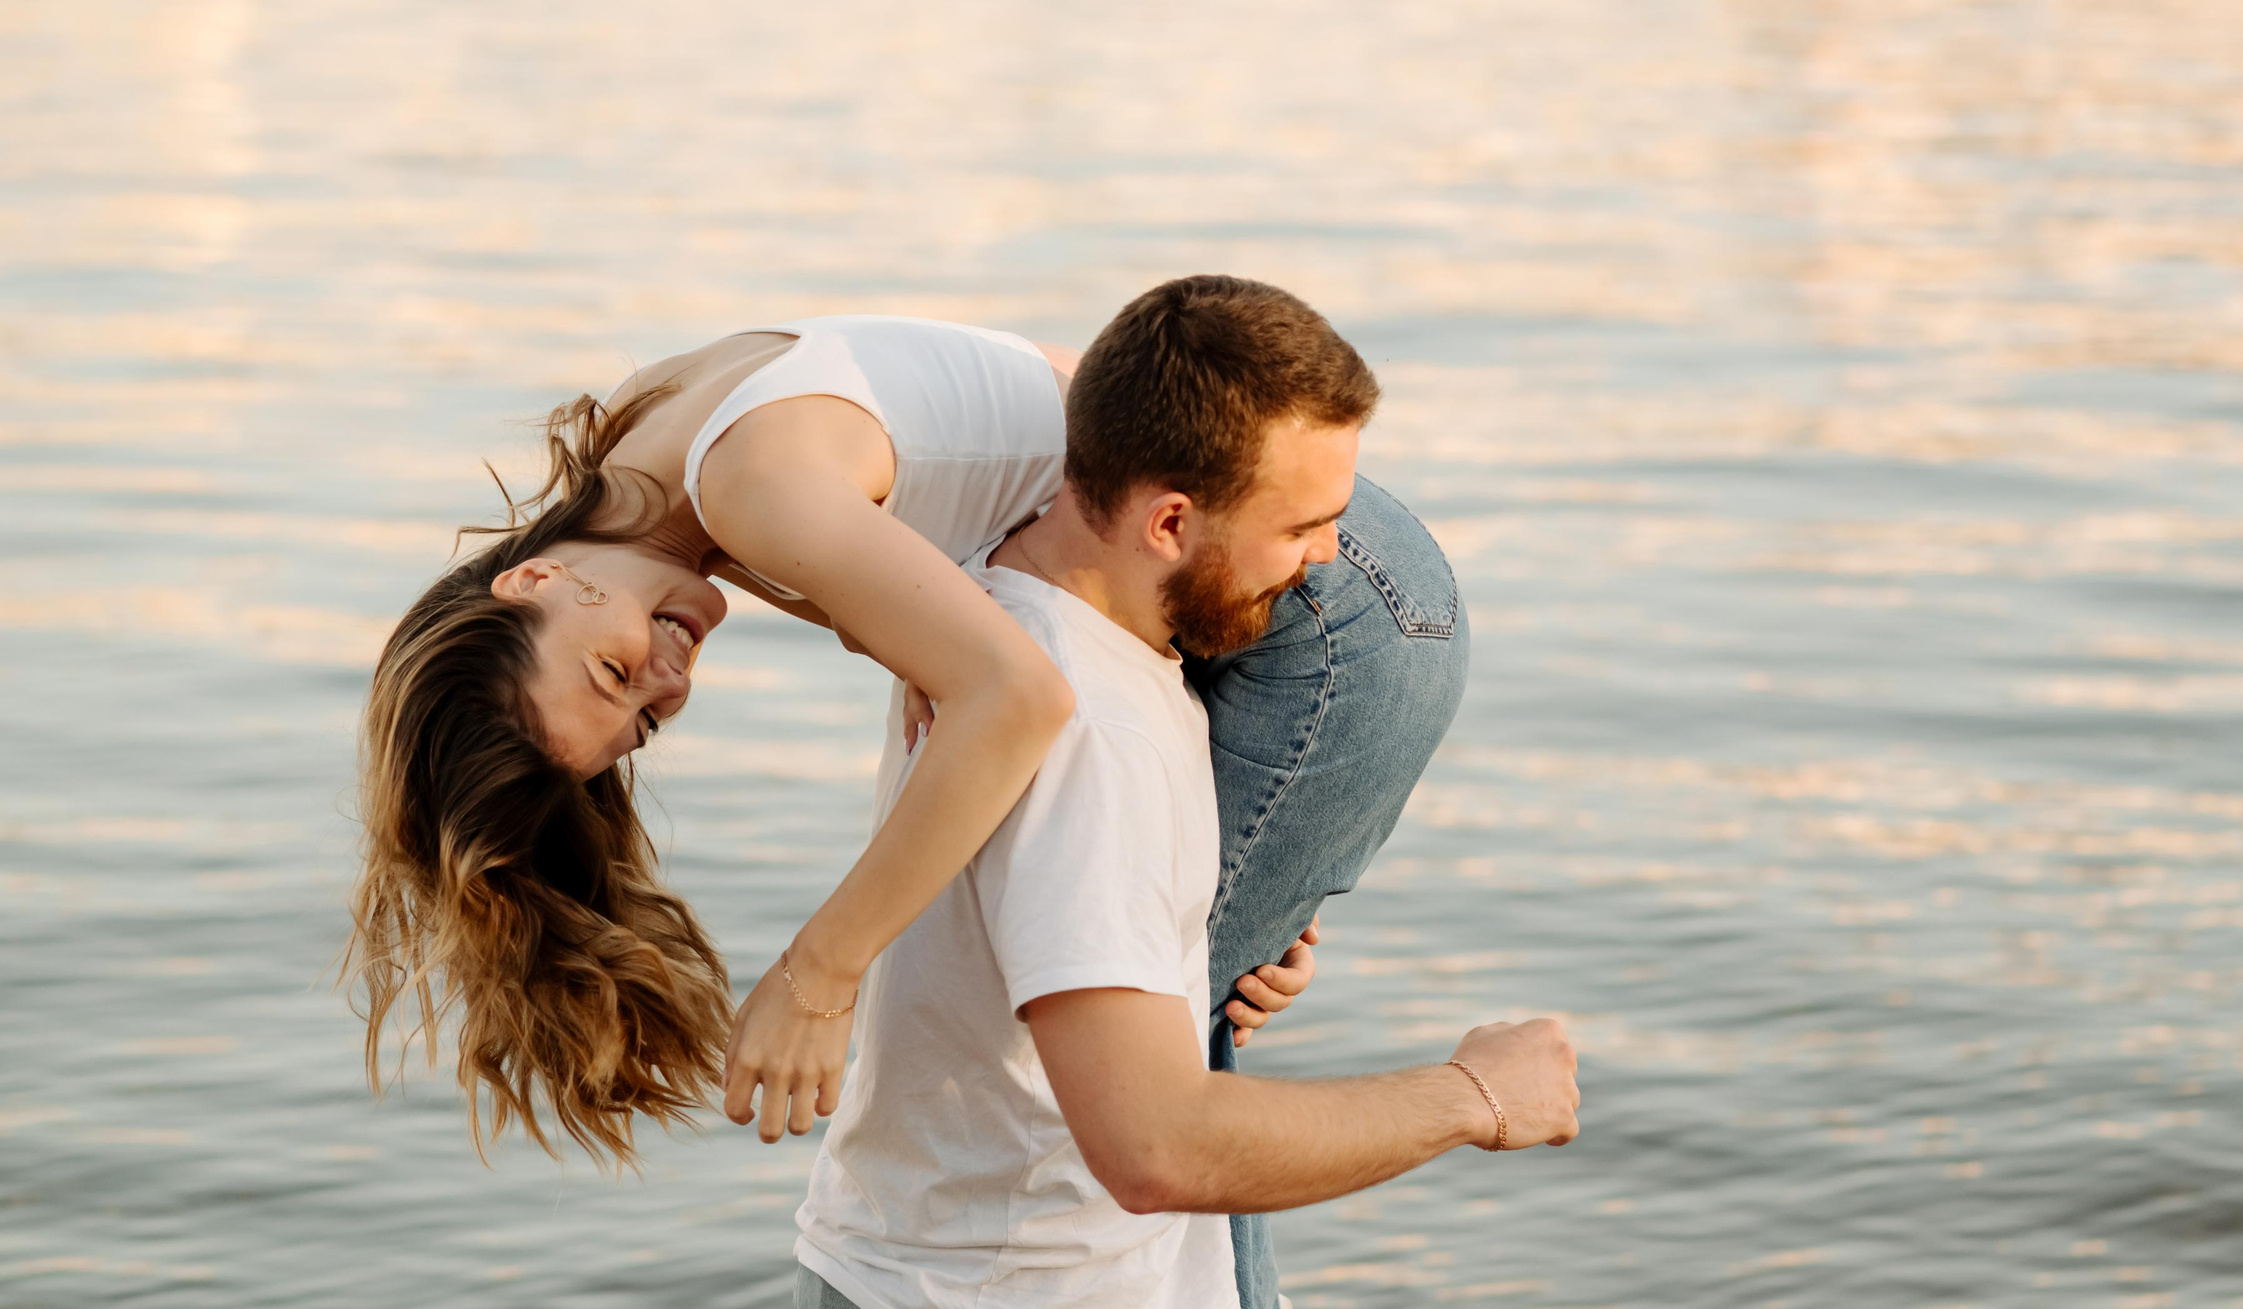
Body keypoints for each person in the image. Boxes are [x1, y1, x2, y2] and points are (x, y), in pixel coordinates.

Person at [344, 276, 1469, 1307]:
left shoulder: (750, 490)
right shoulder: (658, 453)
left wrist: (818, 973)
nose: (669, 675)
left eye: (610, 667)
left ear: (532, 577)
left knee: (1159, 1088)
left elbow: (1014, 694)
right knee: (1162, 1005)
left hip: (1311, 575)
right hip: (1287, 535)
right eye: (645, 716)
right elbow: (938, 629)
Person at [792, 283, 1578, 1309]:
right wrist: (1476, 1094)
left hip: (917, 1259)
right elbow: (1154, 1144)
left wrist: (1183, 945)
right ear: (1168, 519)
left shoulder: (989, 603)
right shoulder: (1094, 737)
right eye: (1303, 524)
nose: (1328, 561)